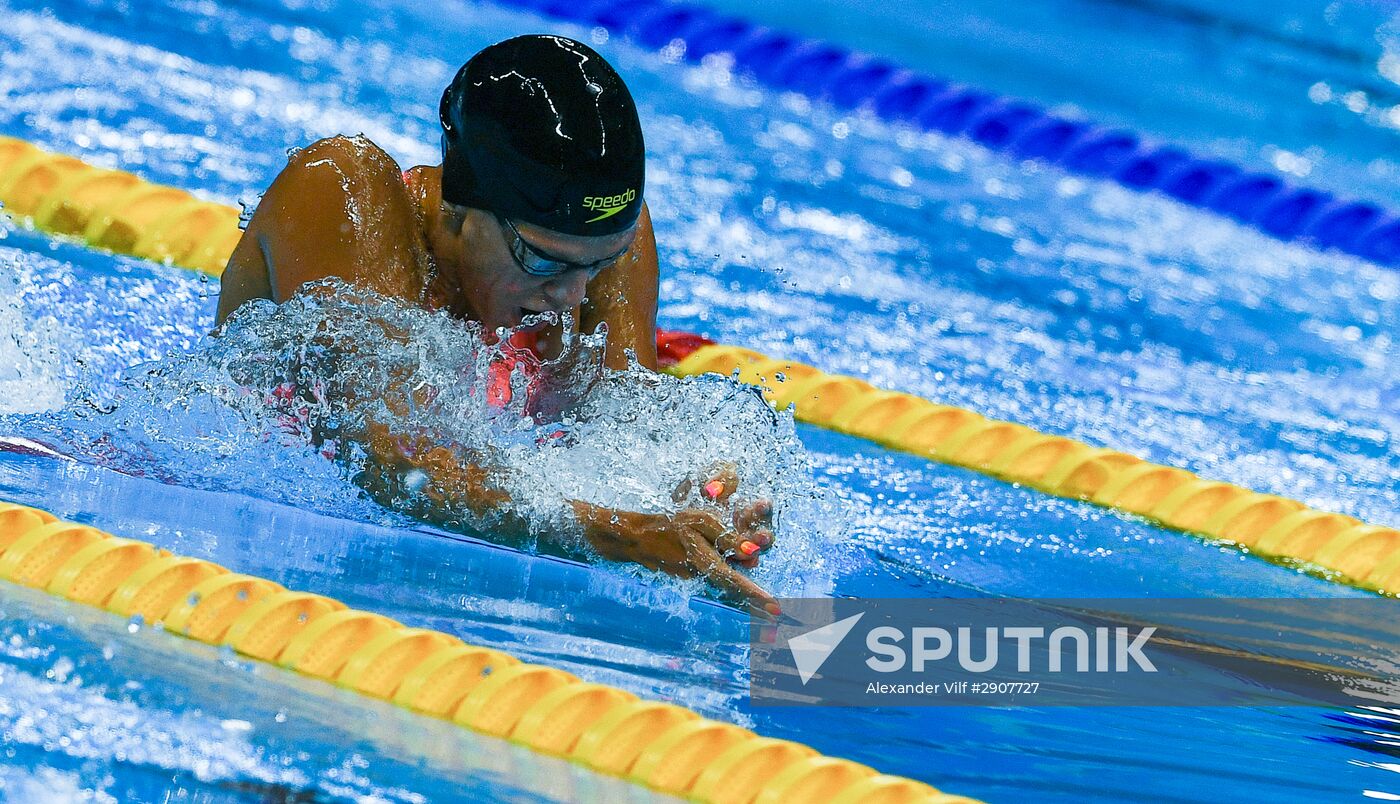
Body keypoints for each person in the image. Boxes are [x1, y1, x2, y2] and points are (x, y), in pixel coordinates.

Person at [215, 34, 779, 614]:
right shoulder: (342, 189)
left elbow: (624, 423)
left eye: (599, 264)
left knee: (818, 665)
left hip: (459, 596)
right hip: (264, 571)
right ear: (462, 206)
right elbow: (391, 463)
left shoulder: (590, 245)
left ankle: (856, 672)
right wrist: (623, 534)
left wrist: (687, 487)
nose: (572, 295)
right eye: (542, 261)